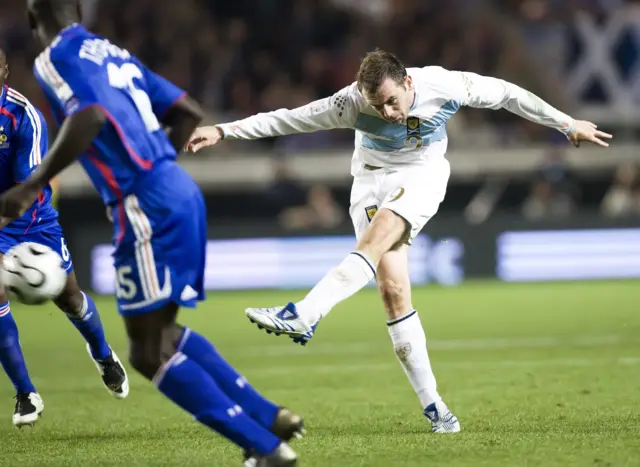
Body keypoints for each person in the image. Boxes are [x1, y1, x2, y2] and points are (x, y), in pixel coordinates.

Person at [185, 48, 613, 433]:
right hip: (370, 182)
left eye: (392, 100)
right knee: (392, 291)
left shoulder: (445, 84)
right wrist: (222, 131)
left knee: (379, 236)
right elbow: (285, 118)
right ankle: (437, 410)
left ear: (408, 82)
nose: (387, 112)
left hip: (422, 173)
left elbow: (506, 93)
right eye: (378, 105)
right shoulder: (349, 103)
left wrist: (566, 123)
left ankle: (307, 311)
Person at [0, 1, 302, 465]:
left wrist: (33, 186)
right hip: (178, 190)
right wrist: (155, 166)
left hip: (144, 205)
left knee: (146, 354)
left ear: (33, 20)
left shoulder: (52, 58)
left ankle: (264, 449)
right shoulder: (112, 52)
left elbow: (91, 117)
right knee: (164, 333)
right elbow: (187, 111)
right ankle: (269, 416)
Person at [0, 46, 128, 427]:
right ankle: (25, 393)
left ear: (4, 69)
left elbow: (25, 192)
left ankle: (102, 353)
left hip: (32, 219)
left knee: (70, 299)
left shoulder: (23, 117)